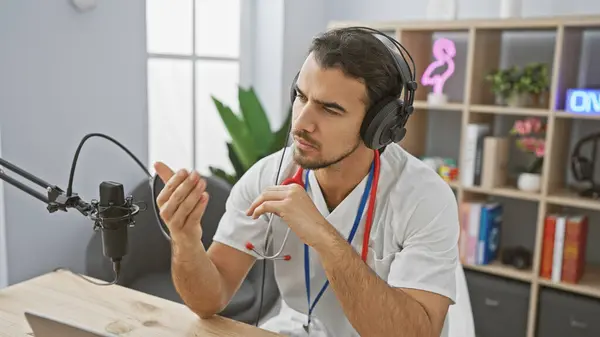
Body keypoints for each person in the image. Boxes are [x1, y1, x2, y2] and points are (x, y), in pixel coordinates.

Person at [153, 27, 460, 337]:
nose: (300, 123)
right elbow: (209, 300)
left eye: (329, 109)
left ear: (378, 126)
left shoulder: (425, 198)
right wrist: (186, 239)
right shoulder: (269, 176)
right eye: (301, 96)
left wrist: (323, 236)